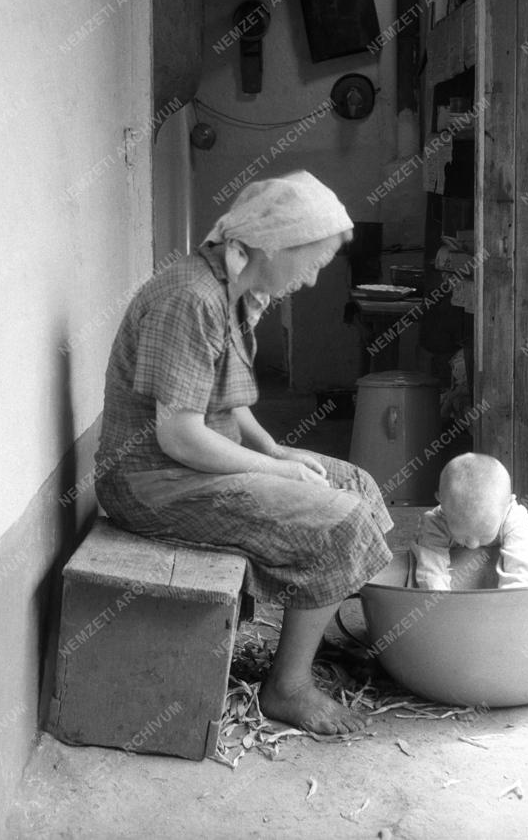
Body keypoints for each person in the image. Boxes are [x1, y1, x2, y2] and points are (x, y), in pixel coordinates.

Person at [94, 171, 393, 735]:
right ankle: (288, 688)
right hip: (153, 482)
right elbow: (178, 436)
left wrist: (276, 448)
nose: (310, 280)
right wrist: (274, 469)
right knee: (343, 523)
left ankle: (318, 640)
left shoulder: (230, 290)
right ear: (268, 248)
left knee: (356, 486)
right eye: (311, 262)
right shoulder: (190, 298)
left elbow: (224, 405)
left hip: (189, 465)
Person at [409, 453, 528, 590]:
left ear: (507, 504)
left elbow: (524, 563)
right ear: (442, 503)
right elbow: (431, 570)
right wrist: (443, 605)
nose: (472, 545)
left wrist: (511, 602)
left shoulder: (513, 517)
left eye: (484, 535)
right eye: (462, 535)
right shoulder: (437, 522)